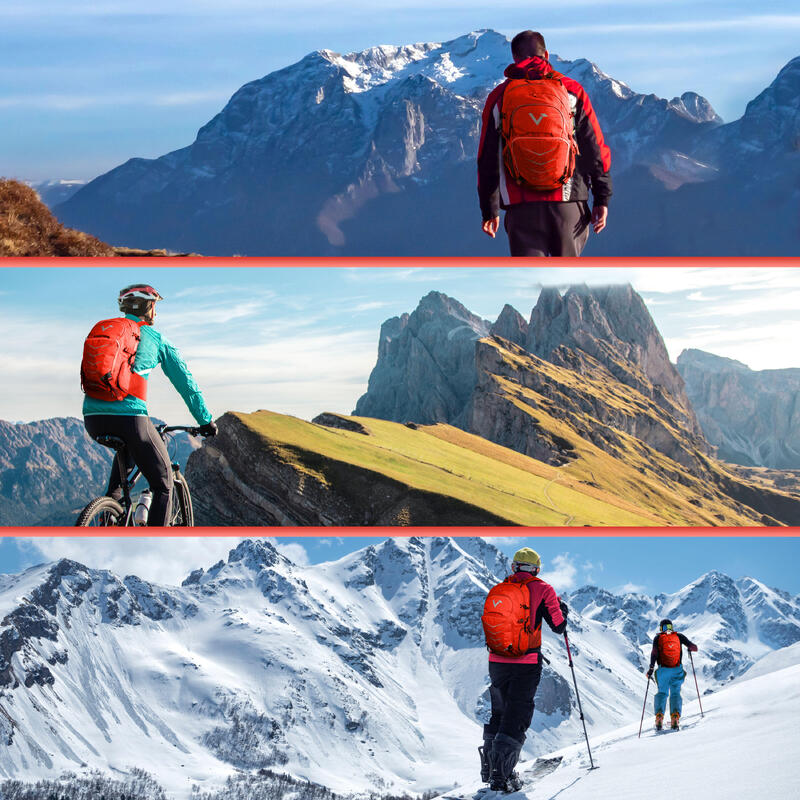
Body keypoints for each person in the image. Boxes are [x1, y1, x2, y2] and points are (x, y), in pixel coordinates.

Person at [82, 284, 217, 526]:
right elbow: (185, 383)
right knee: (163, 484)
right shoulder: (156, 339)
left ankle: (109, 518)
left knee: (116, 488)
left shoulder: (110, 333)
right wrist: (205, 420)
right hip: (130, 419)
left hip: (92, 418)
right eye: (155, 306)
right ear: (149, 307)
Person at [477, 30, 612, 257]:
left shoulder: (500, 96)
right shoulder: (572, 91)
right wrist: (602, 198)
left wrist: (489, 210)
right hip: (569, 203)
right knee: (567, 279)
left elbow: (486, 158)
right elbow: (595, 148)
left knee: (533, 277)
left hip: (521, 208)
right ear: (546, 55)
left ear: (515, 59)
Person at [480, 548, 568, 792]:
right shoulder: (543, 589)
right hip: (525, 663)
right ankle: (502, 777)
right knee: (517, 715)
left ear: (514, 567)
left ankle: (489, 770)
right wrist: (563, 611)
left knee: (498, 712)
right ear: (536, 568)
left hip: (497, 661)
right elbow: (559, 625)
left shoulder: (501, 589)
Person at [646, 618, 698, 730]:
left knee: (662, 693)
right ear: (671, 627)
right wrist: (689, 648)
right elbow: (694, 648)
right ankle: (675, 717)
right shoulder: (679, 636)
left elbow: (654, 653)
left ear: (661, 628)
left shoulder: (658, 638)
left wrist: (651, 668)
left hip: (663, 670)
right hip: (677, 670)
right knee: (675, 693)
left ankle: (659, 717)